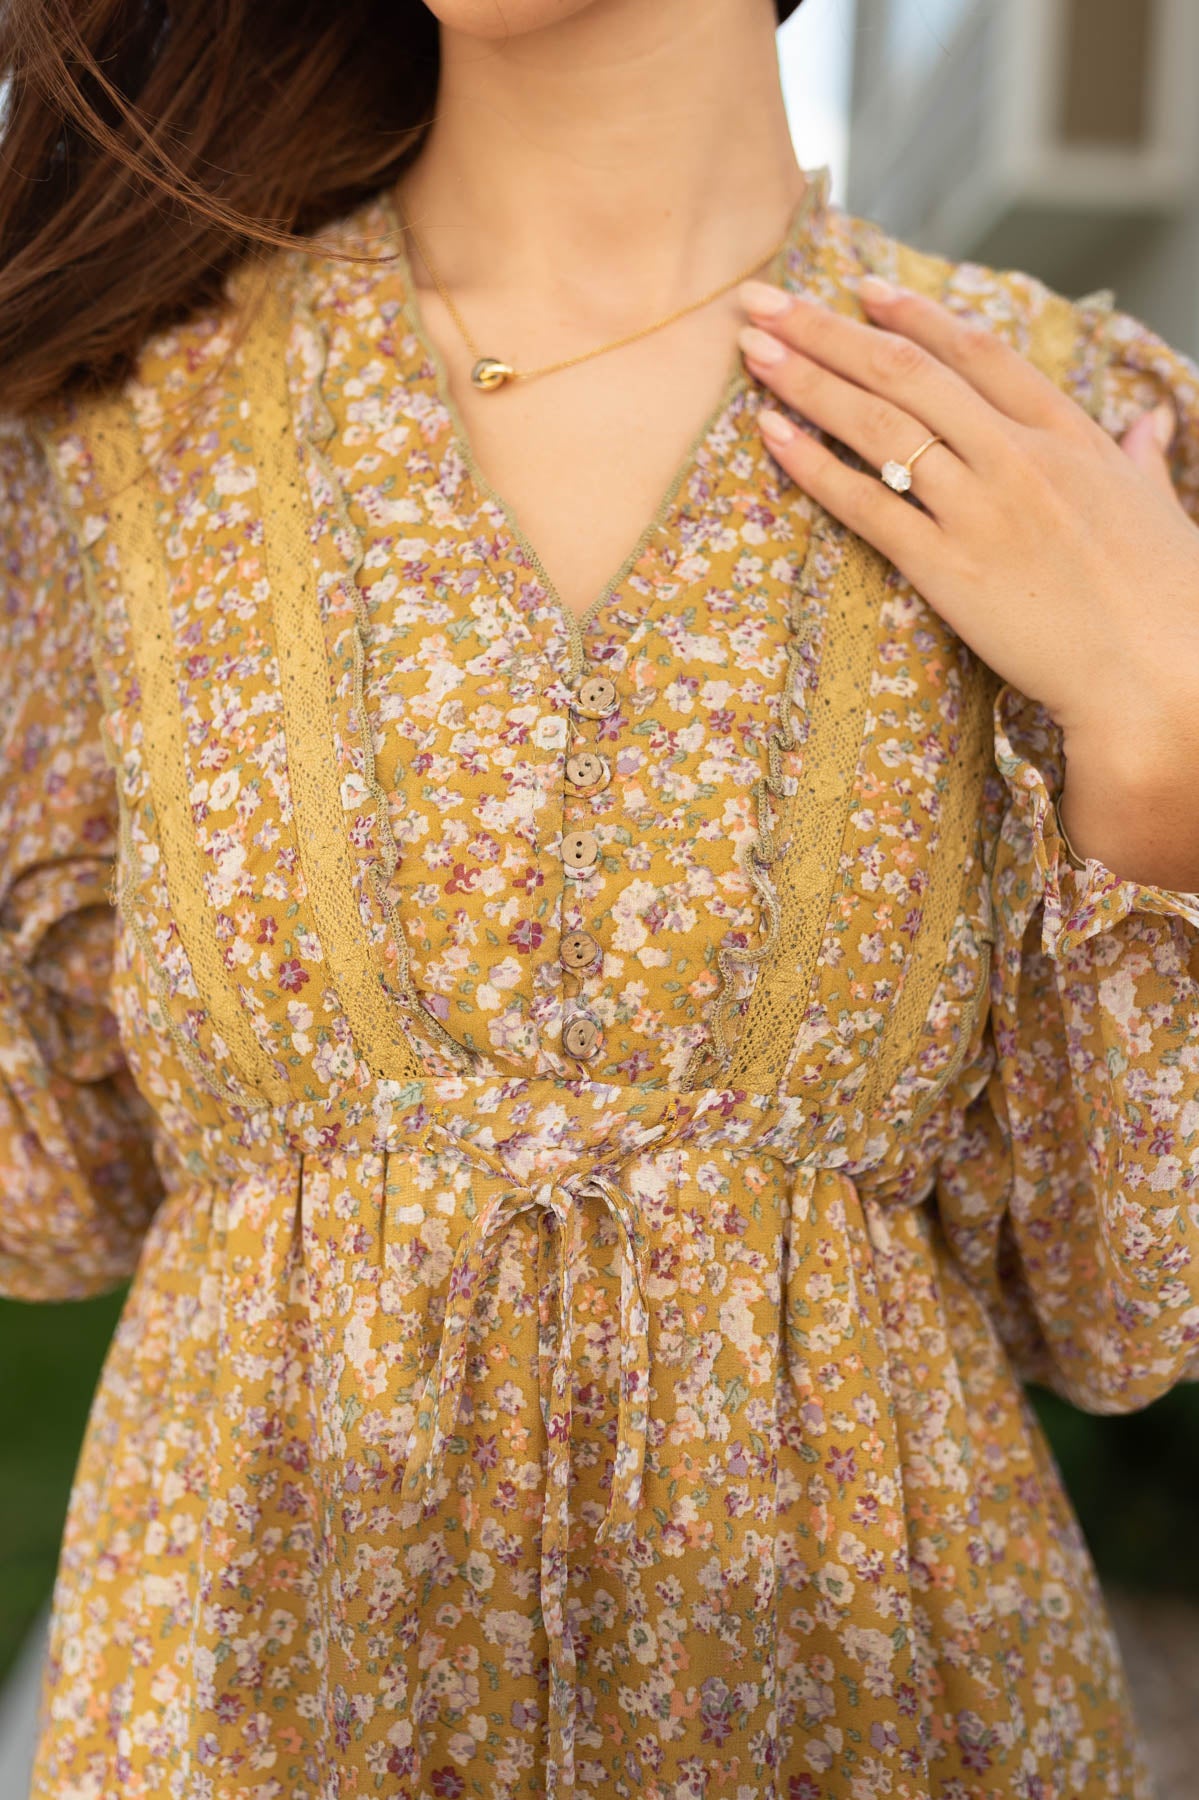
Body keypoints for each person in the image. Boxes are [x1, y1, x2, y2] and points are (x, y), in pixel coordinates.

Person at [1, 0, 1197, 1794]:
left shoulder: (1071, 427)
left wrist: (1168, 737)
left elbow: (1125, 1304)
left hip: (882, 1726)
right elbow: (45, 1190)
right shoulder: (107, 437)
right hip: (256, 1717)